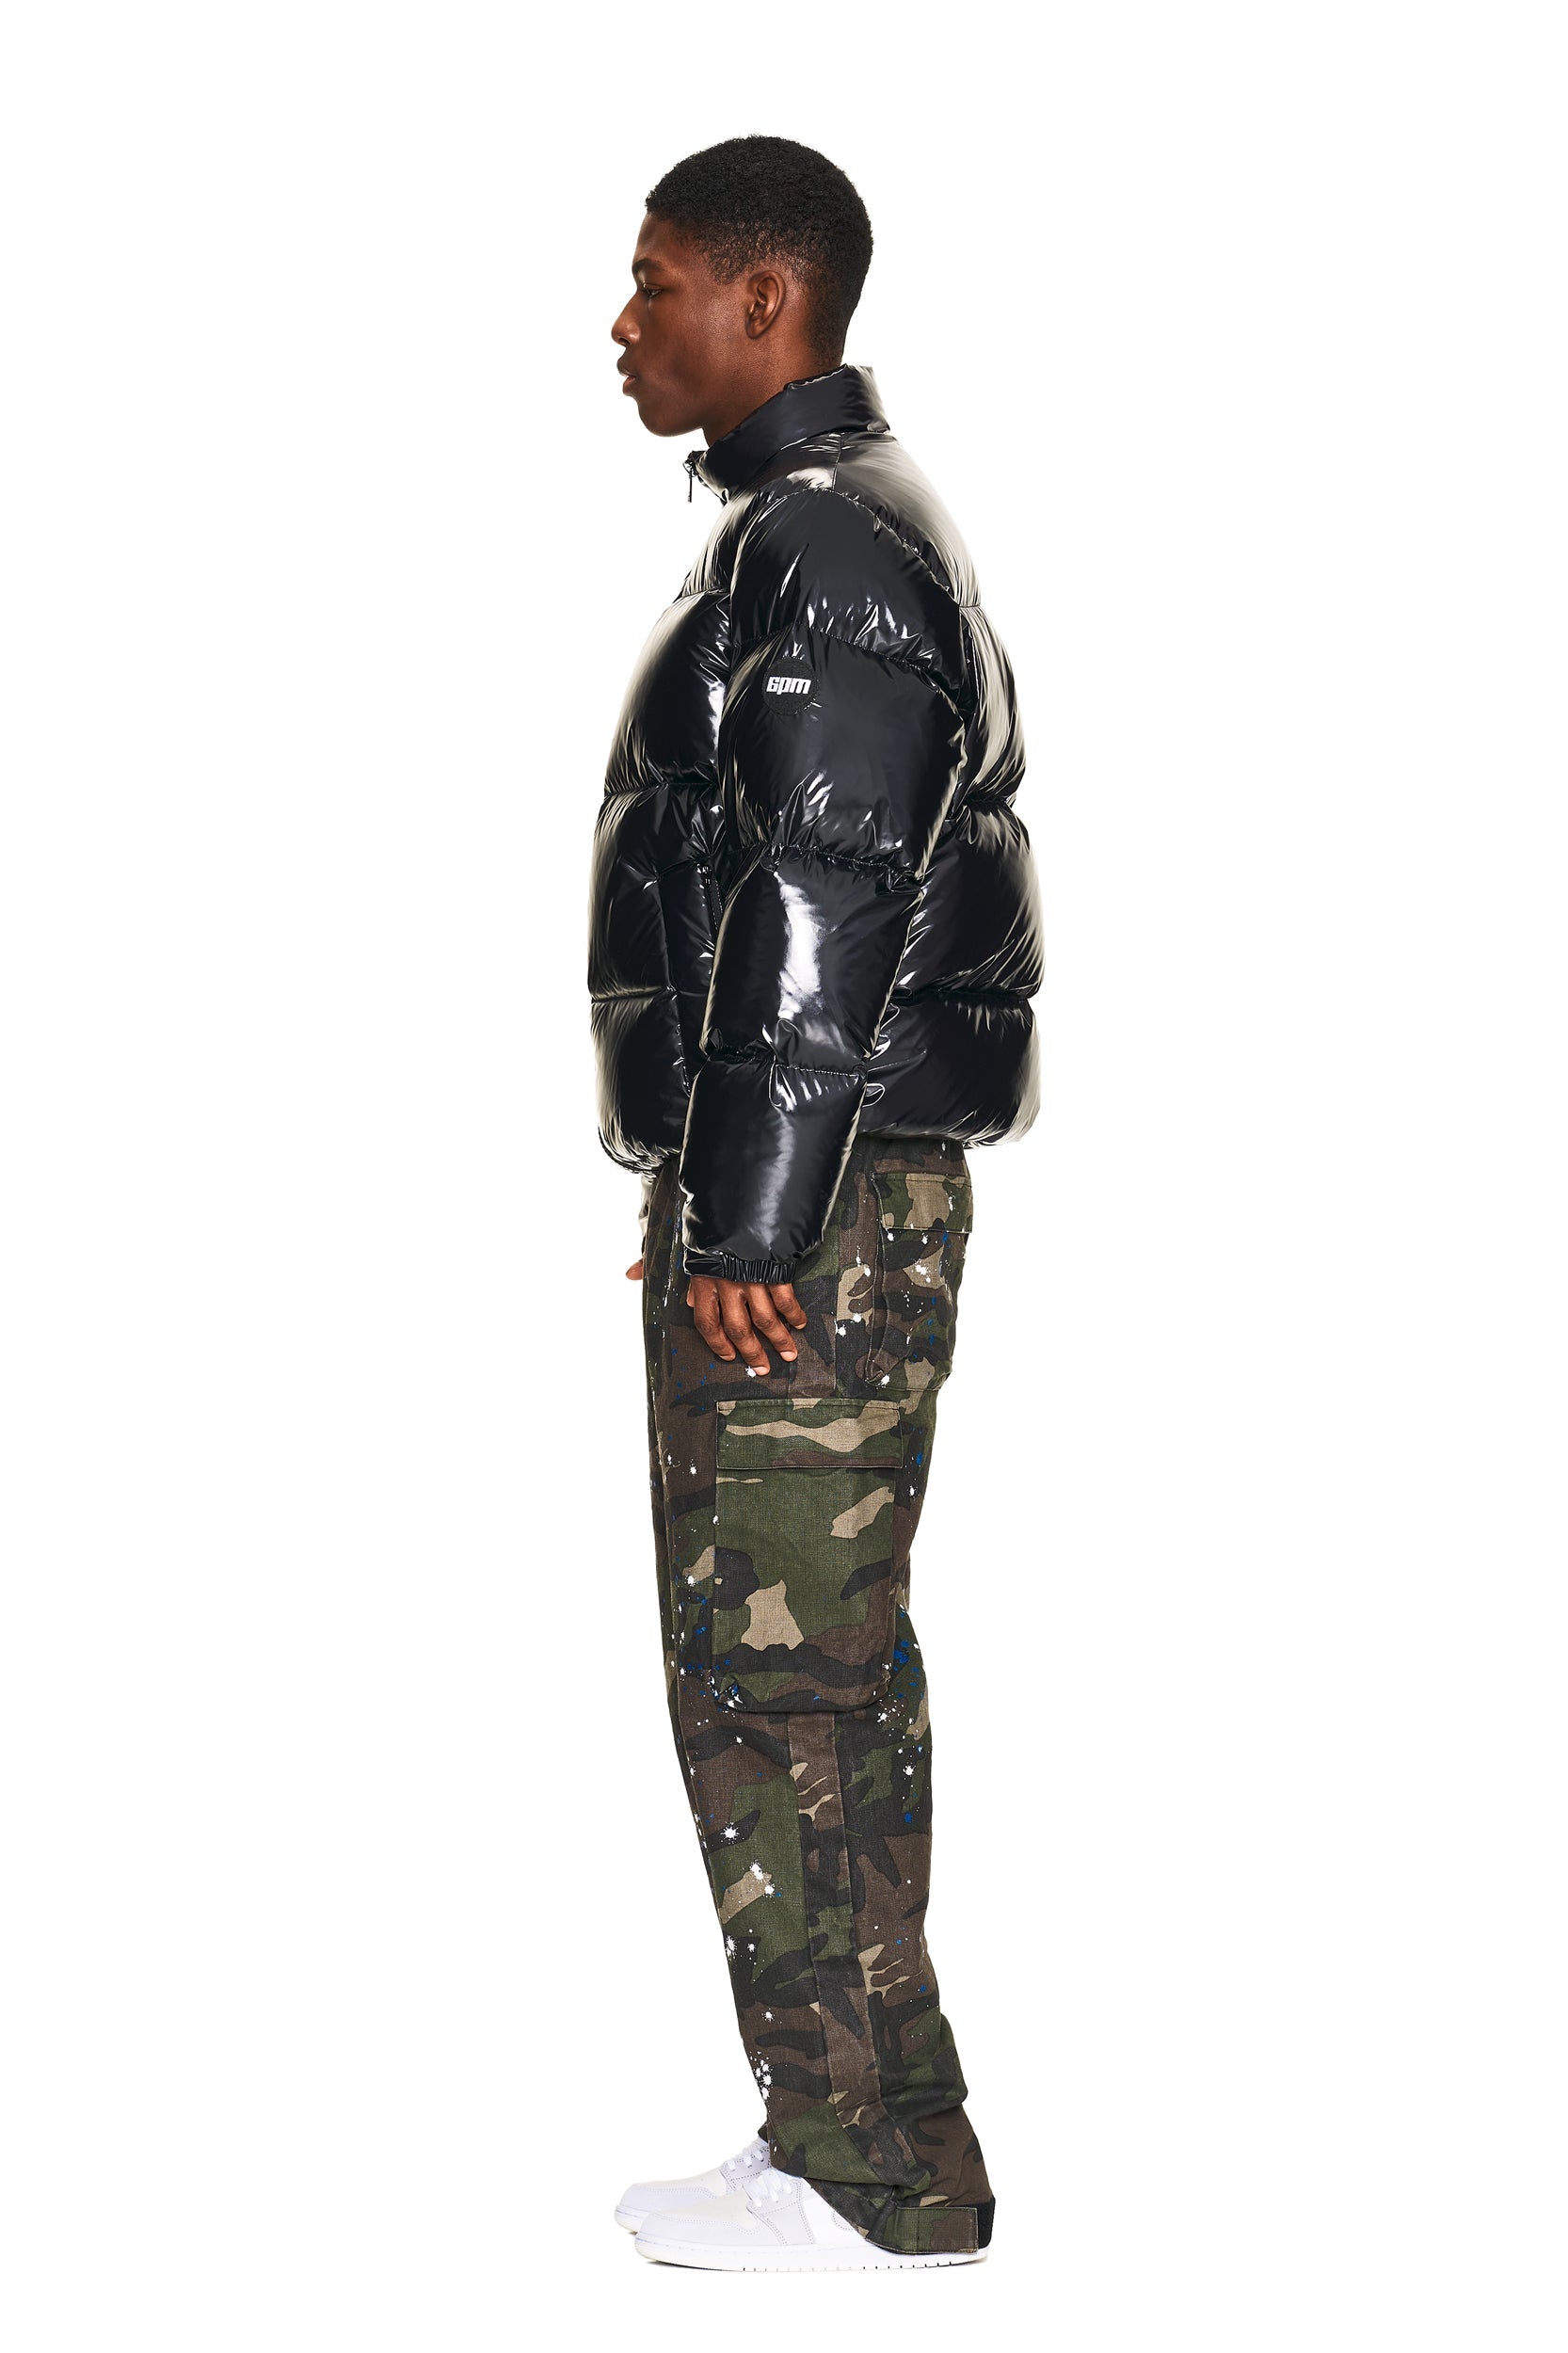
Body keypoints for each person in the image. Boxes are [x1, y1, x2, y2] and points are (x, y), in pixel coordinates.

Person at [588, 136, 1043, 2271]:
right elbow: (773, 894)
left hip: (822, 1206)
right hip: (806, 1189)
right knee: (785, 1675)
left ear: (764, 301)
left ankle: (876, 2178)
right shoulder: (809, 526)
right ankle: (849, 2138)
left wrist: (755, 1219)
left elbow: (818, 895)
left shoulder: (826, 544)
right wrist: (708, 1186)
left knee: (788, 1684)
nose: (623, 324)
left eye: (656, 280)